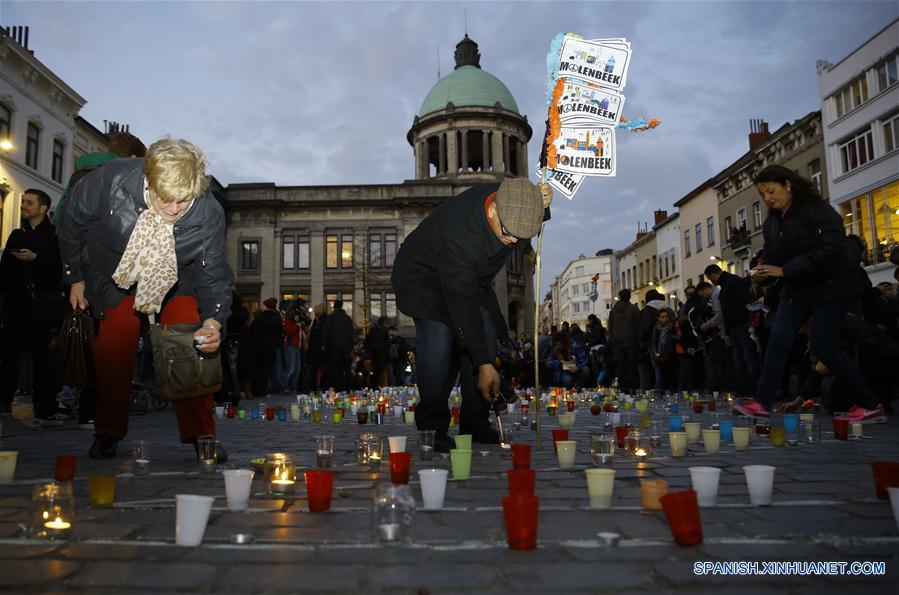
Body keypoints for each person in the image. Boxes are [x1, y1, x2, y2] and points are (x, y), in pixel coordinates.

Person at [57, 138, 234, 459]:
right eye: (165, 199)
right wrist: (75, 278)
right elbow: (70, 222)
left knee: (187, 343)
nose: (173, 209)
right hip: (115, 275)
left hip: (176, 281)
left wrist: (213, 321)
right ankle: (107, 431)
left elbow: (214, 273)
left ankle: (202, 435)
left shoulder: (209, 212)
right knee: (115, 343)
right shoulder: (109, 181)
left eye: (183, 201)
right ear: (148, 180)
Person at [392, 177, 551, 452]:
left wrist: (543, 204)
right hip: (421, 278)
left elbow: (526, 210)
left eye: (520, 236)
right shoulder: (461, 238)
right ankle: (432, 427)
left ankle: (475, 422)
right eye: (508, 232)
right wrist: (484, 365)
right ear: (492, 211)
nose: (513, 240)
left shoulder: (511, 199)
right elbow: (463, 308)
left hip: (468, 278)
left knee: (487, 336)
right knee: (439, 340)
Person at [734, 164, 885, 423]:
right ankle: (761, 402)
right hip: (798, 288)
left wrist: (785, 270)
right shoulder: (772, 222)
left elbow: (830, 248)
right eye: (763, 195)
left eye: (771, 191)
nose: (768, 198)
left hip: (831, 286)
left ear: (788, 185)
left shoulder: (818, 210)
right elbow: (772, 252)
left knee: (824, 347)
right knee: (778, 339)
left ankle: (870, 404)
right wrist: (764, 271)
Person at [0, 189, 64, 421]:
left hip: (43, 309)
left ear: (43, 208)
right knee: (8, 356)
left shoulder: (55, 236)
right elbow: (5, 269)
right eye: (23, 202)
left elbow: (60, 269)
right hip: (16, 307)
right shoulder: (17, 235)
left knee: (44, 360)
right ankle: (4, 401)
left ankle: (44, 407)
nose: (23, 206)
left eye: (29, 202)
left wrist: (36, 259)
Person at [705, 263, 759, 397]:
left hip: (739, 325)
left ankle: (749, 389)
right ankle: (746, 388)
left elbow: (728, 311)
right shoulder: (732, 282)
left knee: (744, 359)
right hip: (740, 324)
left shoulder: (728, 285)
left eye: (711, 279)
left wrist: (728, 332)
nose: (712, 282)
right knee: (743, 359)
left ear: (713, 275)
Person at [607, 289, 640, 391]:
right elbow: (638, 325)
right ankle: (631, 387)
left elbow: (610, 327)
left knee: (620, 366)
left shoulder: (613, 311)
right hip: (631, 340)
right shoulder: (633, 309)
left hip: (617, 341)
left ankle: (622, 387)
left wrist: (611, 339)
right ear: (629, 297)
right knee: (631, 365)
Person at [250, 298, 284, 398]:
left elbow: (252, 331)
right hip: (271, 348)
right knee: (267, 370)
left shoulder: (260, 317)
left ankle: (256, 390)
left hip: (259, 348)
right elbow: (280, 332)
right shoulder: (277, 318)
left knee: (258, 369)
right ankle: (264, 391)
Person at [322, 300, 354, 390]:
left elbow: (326, 332)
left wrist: (324, 344)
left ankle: (337, 387)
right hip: (345, 347)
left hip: (334, 347)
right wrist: (351, 346)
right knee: (347, 369)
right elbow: (351, 333)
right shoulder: (347, 318)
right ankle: (349, 388)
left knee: (335, 369)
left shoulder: (330, 318)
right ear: (342, 306)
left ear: (334, 307)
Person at [364, 316, 391, 388]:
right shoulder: (380, 331)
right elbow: (377, 345)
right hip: (379, 356)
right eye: (387, 323)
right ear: (383, 323)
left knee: (379, 374)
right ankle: (374, 387)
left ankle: (375, 387)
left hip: (378, 356)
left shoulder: (377, 331)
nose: (388, 325)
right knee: (378, 373)